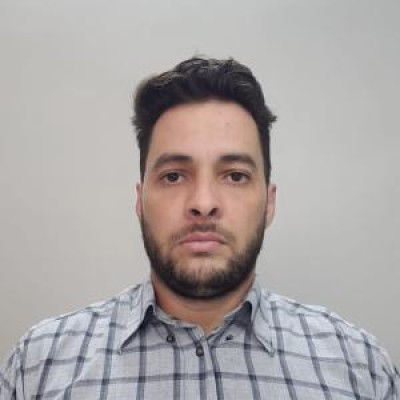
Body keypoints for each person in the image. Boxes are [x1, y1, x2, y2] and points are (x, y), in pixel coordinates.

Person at [0, 57, 398, 400]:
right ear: (140, 200)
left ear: (269, 202)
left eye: (235, 176)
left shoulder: (360, 369)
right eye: (174, 176)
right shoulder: (38, 366)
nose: (203, 202)